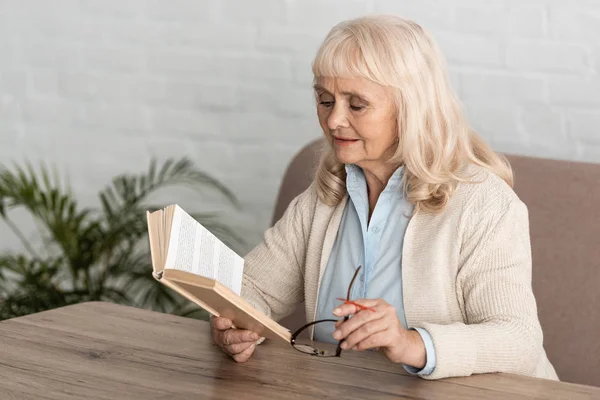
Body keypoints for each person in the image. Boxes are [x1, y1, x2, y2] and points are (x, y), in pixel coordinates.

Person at [210, 14, 559, 381]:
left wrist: (412, 344)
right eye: (325, 100)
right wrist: (233, 326)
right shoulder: (327, 193)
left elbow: (518, 340)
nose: (333, 121)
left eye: (356, 105)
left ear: (411, 108)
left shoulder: (485, 204)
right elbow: (250, 288)